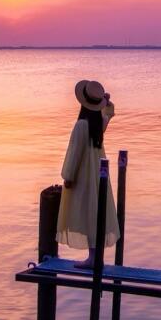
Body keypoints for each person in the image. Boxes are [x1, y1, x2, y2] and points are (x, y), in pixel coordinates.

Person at [56, 79, 120, 269]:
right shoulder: (99, 123)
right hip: (98, 173)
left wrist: (68, 176)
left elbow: (74, 153)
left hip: (84, 175)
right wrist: (105, 101)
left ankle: (93, 259)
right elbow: (109, 112)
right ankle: (96, 257)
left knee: (86, 212)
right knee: (96, 212)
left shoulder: (81, 125)